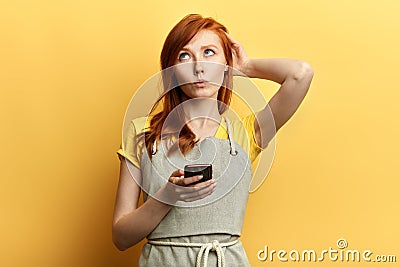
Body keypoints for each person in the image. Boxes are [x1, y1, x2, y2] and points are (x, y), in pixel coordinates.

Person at [113, 14, 313, 266]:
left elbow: (300, 74)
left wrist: (247, 67)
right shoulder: (142, 133)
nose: (199, 66)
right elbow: (120, 237)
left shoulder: (246, 133)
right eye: (184, 56)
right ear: (172, 71)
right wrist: (168, 195)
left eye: (209, 52)